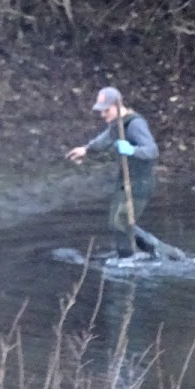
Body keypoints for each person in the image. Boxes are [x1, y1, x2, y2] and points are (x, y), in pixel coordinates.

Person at [66, 86, 159, 261]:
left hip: (141, 182)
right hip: (125, 180)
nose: (103, 115)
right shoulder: (117, 125)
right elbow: (105, 139)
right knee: (116, 221)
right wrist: (86, 150)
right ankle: (128, 256)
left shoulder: (134, 124)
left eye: (106, 110)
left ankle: (155, 249)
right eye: (101, 111)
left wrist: (132, 150)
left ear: (117, 106)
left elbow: (152, 150)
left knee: (122, 221)